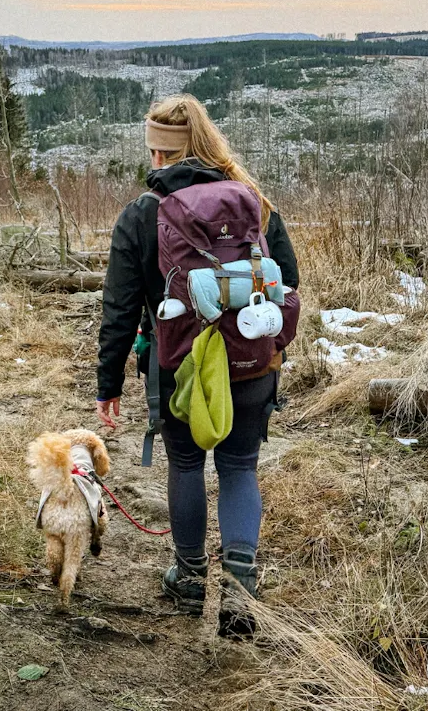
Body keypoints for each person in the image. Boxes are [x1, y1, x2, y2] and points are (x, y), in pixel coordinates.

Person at [94, 94, 299, 637]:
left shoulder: (142, 214)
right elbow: (289, 280)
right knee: (239, 467)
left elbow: (119, 308)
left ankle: (188, 580)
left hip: (178, 363)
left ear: (159, 155)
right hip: (252, 360)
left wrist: (107, 384)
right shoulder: (252, 200)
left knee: (185, 465)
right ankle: (240, 590)